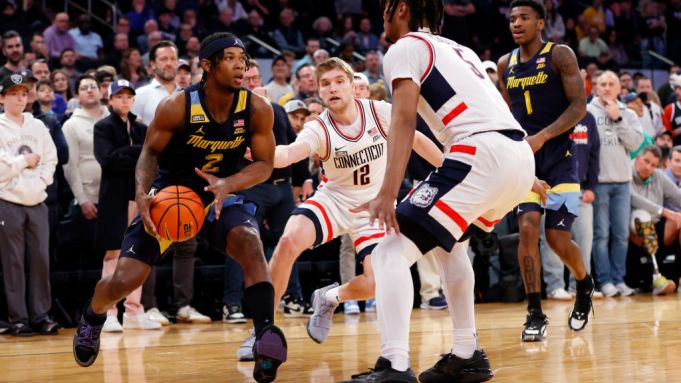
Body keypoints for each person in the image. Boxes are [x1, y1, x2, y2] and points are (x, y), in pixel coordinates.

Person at [72, 33, 287, 383]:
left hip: (218, 192)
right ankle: (93, 315)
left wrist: (227, 184)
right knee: (125, 280)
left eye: (243, 58)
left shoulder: (256, 108)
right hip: (170, 195)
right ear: (207, 65)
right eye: (230, 57)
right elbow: (149, 154)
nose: (240, 65)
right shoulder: (177, 105)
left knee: (250, 243)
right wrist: (142, 193)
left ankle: (265, 334)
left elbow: (265, 164)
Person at [342, 0, 537, 380]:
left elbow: (403, 119)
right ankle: (467, 354)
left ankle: (394, 364)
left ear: (400, 8)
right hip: (516, 153)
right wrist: (525, 176)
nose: (381, 17)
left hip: (477, 152)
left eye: (384, 8)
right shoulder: (459, 49)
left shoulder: (404, 47)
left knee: (389, 253)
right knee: (450, 246)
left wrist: (387, 191)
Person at [264, 57, 442, 342]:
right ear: (319, 93)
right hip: (333, 201)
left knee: (377, 282)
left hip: (374, 209)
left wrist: (448, 168)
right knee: (287, 242)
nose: (332, 88)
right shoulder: (318, 127)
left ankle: (329, 296)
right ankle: (262, 328)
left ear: (351, 86)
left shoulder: (380, 112)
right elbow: (290, 153)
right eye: (325, 84)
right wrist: (264, 154)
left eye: (338, 81)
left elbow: (417, 141)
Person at [497, 0, 594, 342]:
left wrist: (544, 136)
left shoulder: (560, 54)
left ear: (541, 22)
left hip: (561, 157)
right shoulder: (504, 63)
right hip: (526, 159)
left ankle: (584, 283)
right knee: (527, 228)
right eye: (512, 19)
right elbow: (506, 116)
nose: (516, 23)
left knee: (556, 239)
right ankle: (534, 312)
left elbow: (579, 106)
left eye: (524, 17)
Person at [93, 79, 158, 332]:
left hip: (139, 196)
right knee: (112, 253)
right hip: (114, 199)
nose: (124, 100)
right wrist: (136, 152)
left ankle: (133, 310)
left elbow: (152, 160)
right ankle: (109, 312)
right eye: (119, 96)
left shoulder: (142, 128)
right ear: (110, 100)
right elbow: (107, 160)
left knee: (137, 252)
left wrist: (130, 152)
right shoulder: (103, 127)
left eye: (128, 96)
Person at [0, 73, 59, 336]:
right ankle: (18, 318)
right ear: (2, 98)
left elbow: (51, 158)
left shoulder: (37, 126)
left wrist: (41, 181)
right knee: (12, 262)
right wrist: (25, 162)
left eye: (23, 94)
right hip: (8, 201)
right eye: (13, 94)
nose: (20, 98)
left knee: (40, 260)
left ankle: (41, 315)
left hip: (37, 201)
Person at [588, 71, 643, 297]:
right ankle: (604, 281)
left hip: (622, 182)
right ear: (595, 88)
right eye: (602, 84)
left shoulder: (628, 114)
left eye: (611, 84)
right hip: (598, 182)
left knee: (621, 234)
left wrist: (618, 118)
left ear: (620, 88)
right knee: (601, 235)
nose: (607, 88)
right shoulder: (587, 112)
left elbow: (635, 144)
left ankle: (619, 280)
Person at [629, 145, 680, 295]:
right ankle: (656, 277)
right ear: (638, 158)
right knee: (642, 217)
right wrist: (664, 211)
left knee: (679, 220)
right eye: (646, 161)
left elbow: (678, 197)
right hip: (632, 225)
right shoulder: (626, 172)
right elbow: (633, 199)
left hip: (656, 224)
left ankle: (670, 277)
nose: (648, 167)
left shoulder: (658, 176)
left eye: (653, 165)